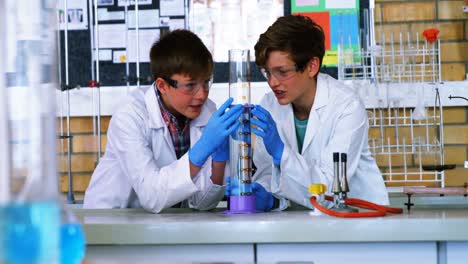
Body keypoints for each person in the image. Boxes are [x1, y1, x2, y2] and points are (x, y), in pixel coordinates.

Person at [83, 29, 242, 213]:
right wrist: (203, 148)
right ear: (162, 85)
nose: (202, 94)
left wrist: (219, 162)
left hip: (165, 223)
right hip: (111, 221)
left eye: (206, 82)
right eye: (190, 85)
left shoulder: (206, 112)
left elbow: (201, 203)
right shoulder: (130, 116)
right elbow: (152, 196)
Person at [247, 15, 389, 211]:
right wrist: (266, 196)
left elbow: (330, 187)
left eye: (282, 72)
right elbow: (267, 174)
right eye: (267, 73)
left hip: (356, 219)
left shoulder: (346, 106)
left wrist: (282, 153)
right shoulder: (269, 105)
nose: (272, 82)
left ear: (311, 66)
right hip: (297, 221)